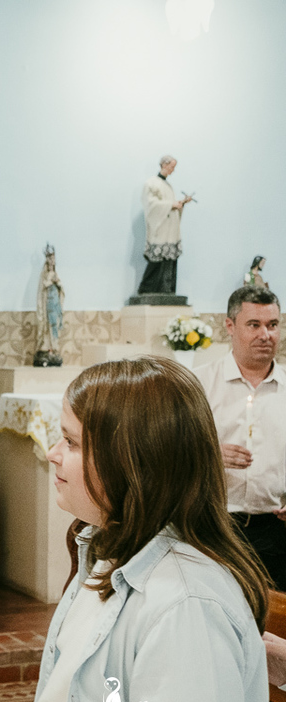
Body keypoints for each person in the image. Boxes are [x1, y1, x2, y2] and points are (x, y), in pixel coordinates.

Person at [24, 356, 279, 702]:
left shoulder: (184, 606)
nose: (52, 454)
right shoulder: (106, 551)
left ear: (131, 462)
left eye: (70, 441)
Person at [192, 285, 286, 590]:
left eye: (273, 325)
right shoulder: (201, 383)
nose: (266, 335)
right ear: (230, 326)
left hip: (276, 528)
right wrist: (210, 454)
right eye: (254, 325)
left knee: (273, 621)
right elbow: (171, 447)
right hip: (216, 524)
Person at [138, 155, 193, 295]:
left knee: (169, 261)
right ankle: (147, 291)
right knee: (156, 262)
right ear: (164, 164)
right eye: (172, 167)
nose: (173, 170)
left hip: (170, 230)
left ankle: (166, 291)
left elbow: (171, 206)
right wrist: (171, 205)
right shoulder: (151, 183)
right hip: (159, 230)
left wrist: (181, 203)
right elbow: (150, 205)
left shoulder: (167, 186)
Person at [34, 243, 64, 366]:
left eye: (53, 258)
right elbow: (43, 286)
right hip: (47, 308)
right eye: (50, 258)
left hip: (55, 306)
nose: (52, 261)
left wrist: (57, 283)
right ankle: (45, 350)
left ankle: (54, 350)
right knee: (46, 328)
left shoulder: (55, 273)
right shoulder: (44, 274)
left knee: (55, 328)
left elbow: (61, 288)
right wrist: (50, 279)